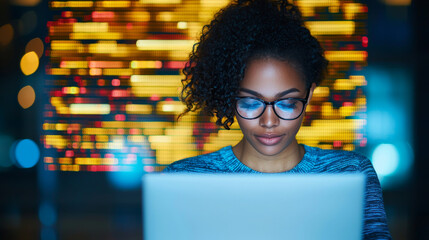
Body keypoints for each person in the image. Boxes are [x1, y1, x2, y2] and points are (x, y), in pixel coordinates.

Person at [163, 0, 392, 238]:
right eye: (251, 103)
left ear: (308, 95)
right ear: (229, 98)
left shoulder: (350, 172)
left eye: (287, 103)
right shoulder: (184, 180)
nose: (269, 121)